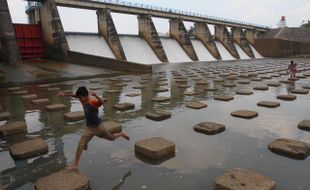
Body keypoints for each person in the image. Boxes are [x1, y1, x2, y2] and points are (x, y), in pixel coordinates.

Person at [58, 86, 130, 170]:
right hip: (88, 128)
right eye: (79, 98)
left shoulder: (92, 101)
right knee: (80, 144)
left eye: (81, 98)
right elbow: (75, 95)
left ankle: (121, 134)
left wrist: (96, 96)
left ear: (86, 96)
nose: (80, 100)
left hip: (98, 128)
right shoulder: (82, 99)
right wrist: (64, 94)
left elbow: (101, 102)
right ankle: (75, 165)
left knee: (111, 138)